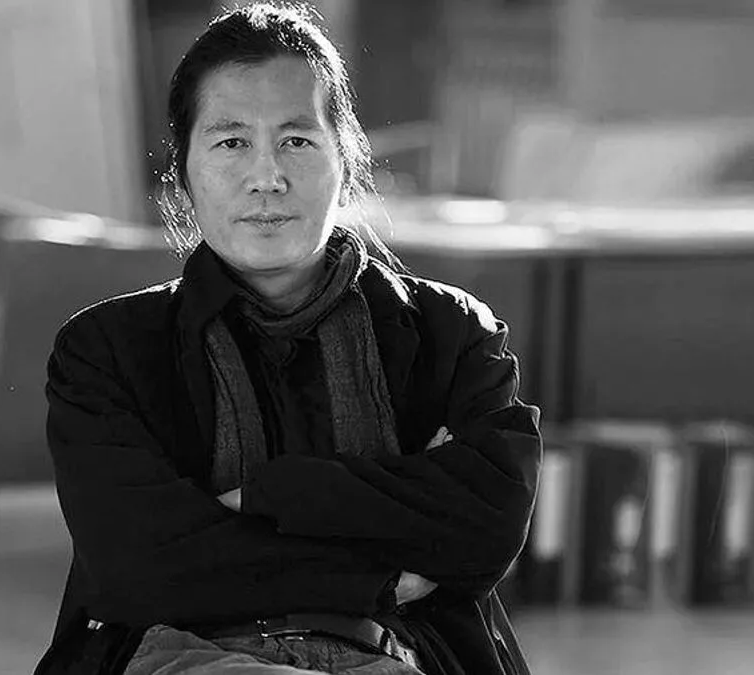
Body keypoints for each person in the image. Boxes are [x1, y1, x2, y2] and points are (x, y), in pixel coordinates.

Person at [33, 4, 541, 674]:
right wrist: (382, 567)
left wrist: (274, 494)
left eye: (297, 140)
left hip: (400, 654)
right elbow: (141, 565)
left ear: (346, 159)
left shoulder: (452, 334)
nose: (267, 176)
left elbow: (487, 528)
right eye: (231, 143)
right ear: (183, 174)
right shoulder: (107, 350)